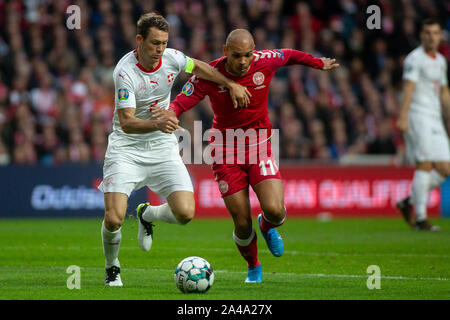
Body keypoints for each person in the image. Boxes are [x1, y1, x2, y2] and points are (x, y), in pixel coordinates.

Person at [153, 29, 339, 282]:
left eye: (247, 55)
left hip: (259, 144)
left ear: (254, 52)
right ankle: (254, 265)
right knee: (241, 221)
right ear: (225, 51)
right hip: (224, 149)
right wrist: (172, 112)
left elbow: (289, 55)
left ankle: (267, 225)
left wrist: (317, 63)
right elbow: (183, 99)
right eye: (237, 55)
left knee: (275, 210)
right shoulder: (210, 74)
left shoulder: (265, 60)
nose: (243, 61)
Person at [97, 13, 251, 287]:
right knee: (114, 218)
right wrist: (159, 122)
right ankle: (112, 267)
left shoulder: (173, 57)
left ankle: (147, 214)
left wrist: (229, 83)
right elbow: (127, 122)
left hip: (161, 147)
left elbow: (201, 68)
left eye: (164, 43)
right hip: (126, 149)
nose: (160, 50)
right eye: (155, 43)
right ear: (139, 40)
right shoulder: (124, 72)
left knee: (185, 213)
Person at [396, 18, 450, 231]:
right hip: (418, 116)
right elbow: (408, 88)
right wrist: (403, 116)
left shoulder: (440, 61)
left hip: (435, 117)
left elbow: (444, 92)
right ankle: (420, 218)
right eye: (427, 32)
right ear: (421, 35)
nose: (431, 37)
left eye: (435, 33)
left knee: (445, 167)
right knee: (425, 164)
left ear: (440, 36)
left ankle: (409, 201)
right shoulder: (414, 59)